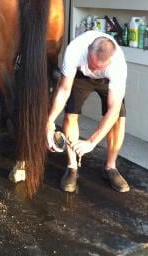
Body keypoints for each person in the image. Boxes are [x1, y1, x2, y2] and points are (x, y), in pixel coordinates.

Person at [46, 30, 129, 193]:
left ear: (109, 61)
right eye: (90, 63)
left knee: (119, 118)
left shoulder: (118, 65)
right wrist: (49, 123)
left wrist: (91, 142)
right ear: (88, 48)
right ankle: (72, 167)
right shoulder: (75, 49)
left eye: (97, 67)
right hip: (80, 77)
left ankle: (110, 168)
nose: (93, 69)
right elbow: (63, 90)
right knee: (70, 115)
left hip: (107, 81)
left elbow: (113, 110)